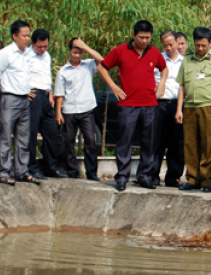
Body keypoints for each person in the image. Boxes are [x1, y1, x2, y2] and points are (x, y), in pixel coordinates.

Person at [98, 20, 168, 191]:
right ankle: (122, 176)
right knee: (124, 141)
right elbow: (102, 67)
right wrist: (114, 87)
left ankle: (144, 176)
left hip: (150, 103)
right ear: (134, 35)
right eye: (141, 37)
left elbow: (164, 68)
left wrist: (162, 83)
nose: (144, 41)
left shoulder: (154, 52)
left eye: (148, 37)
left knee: (149, 142)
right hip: (127, 103)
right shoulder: (121, 51)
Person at [175, 27, 211, 192]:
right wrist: (179, 109)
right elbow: (182, 86)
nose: (200, 49)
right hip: (190, 108)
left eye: (203, 45)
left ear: (210, 43)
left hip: (210, 108)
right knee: (190, 144)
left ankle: (208, 181)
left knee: (209, 145)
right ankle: (192, 179)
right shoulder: (187, 59)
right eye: (197, 45)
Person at [0, 20, 40, 186]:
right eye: (24, 35)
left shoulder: (27, 54)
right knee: (6, 136)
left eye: (28, 35)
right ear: (14, 36)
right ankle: (3, 172)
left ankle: (21, 171)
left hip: (25, 100)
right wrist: (7, 86)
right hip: (10, 99)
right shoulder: (6, 53)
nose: (27, 39)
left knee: (23, 138)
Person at [54, 38, 103, 182]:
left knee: (90, 141)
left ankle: (92, 172)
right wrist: (58, 112)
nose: (77, 55)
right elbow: (59, 94)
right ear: (69, 52)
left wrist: (85, 46)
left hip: (86, 108)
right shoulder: (63, 72)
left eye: (80, 52)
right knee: (69, 142)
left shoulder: (88, 65)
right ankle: (72, 171)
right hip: (69, 110)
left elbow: (102, 60)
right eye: (75, 52)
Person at [27, 29, 67, 179]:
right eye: (39, 47)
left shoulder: (47, 56)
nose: (43, 49)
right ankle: (32, 168)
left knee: (52, 133)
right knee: (31, 134)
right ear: (33, 43)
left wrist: (50, 93)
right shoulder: (26, 56)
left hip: (45, 98)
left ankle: (51, 167)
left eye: (45, 46)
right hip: (33, 97)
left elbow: (46, 76)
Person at [153, 30, 184, 188]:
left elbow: (184, 86)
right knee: (157, 141)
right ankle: (153, 175)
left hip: (178, 105)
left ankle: (173, 177)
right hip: (160, 104)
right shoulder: (157, 59)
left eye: (171, 44)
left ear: (177, 43)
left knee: (176, 143)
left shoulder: (184, 62)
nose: (169, 48)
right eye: (165, 45)